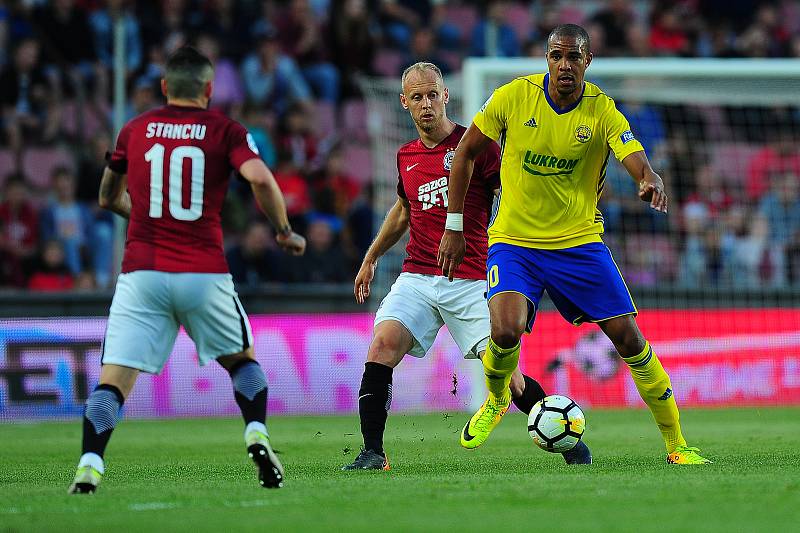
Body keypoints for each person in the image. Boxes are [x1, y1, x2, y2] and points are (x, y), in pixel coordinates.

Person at [438, 24, 711, 464]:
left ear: (588, 61)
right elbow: (466, 153)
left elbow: (632, 154)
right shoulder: (512, 96)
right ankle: (495, 400)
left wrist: (649, 178)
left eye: (573, 57)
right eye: (556, 56)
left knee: (629, 340)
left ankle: (677, 444)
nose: (564, 65)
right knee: (504, 330)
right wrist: (453, 225)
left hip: (578, 244)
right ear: (547, 58)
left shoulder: (602, 109)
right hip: (514, 241)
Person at [68, 46, 306, 494]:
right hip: (203, 271)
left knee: (113, 383)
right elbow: (259, 178)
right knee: (243, 363)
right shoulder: (225, 130)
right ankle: (256, 432)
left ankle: (89, 464)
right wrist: (283, 231)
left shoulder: (134, 130)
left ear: (164, 88)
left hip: (141, 274)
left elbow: (106, 196)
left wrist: (141, 214)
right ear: (209, 90)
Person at [342, 62, 589, 471]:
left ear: (446, 96)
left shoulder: (477, 146)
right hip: (418, 277)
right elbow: (404, 211)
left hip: (471, 279)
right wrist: (370, 258)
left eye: (432, 94)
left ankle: (567, 443)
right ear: (404, 103)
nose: (426, 104)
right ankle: (373, 453)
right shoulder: (406, 156)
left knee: (508, 377)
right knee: (382, 345)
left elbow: (511, 194)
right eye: (417, 97)